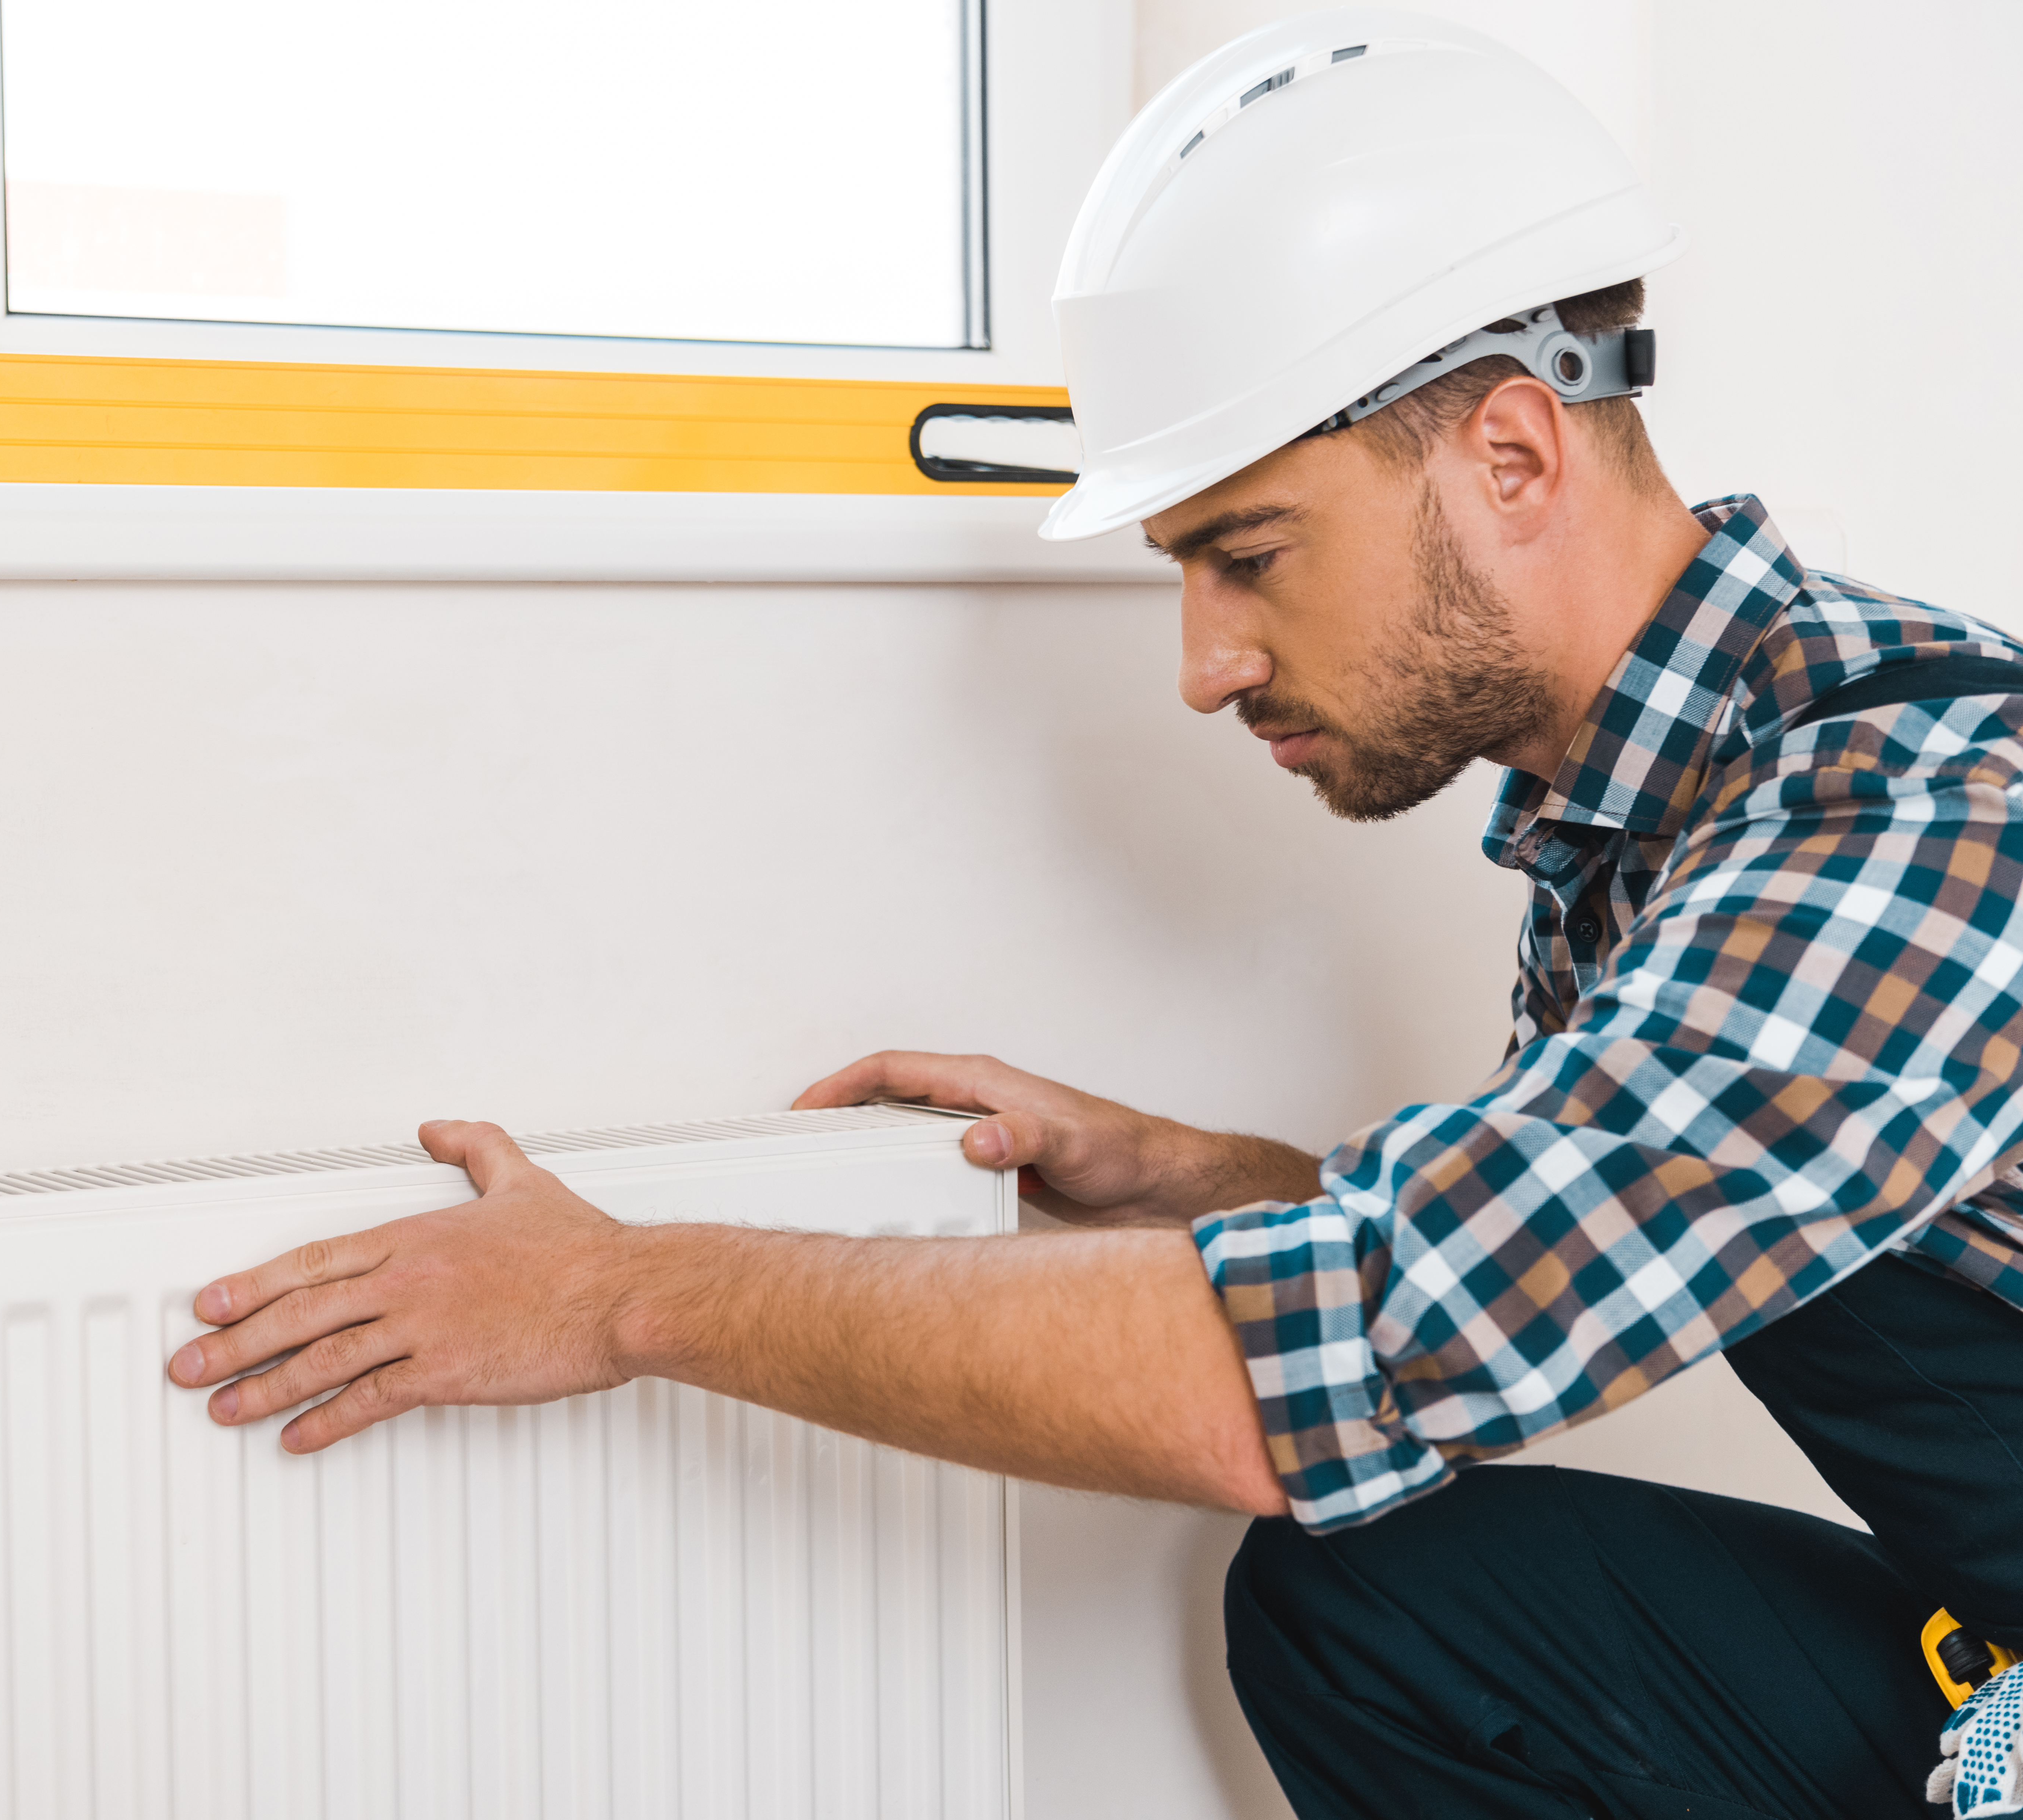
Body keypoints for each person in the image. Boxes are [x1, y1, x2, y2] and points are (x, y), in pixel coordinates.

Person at [165, 11, 2023, 1815]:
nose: (1207, 664)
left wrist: (626, 1291)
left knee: (1334, 1499)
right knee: (1374, 1602)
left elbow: (1353, 1344)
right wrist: (1195, 1174)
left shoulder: (1923, 816)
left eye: (1250, 551)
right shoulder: (1640, 806)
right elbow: (1547, 1255)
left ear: (1515, 458)